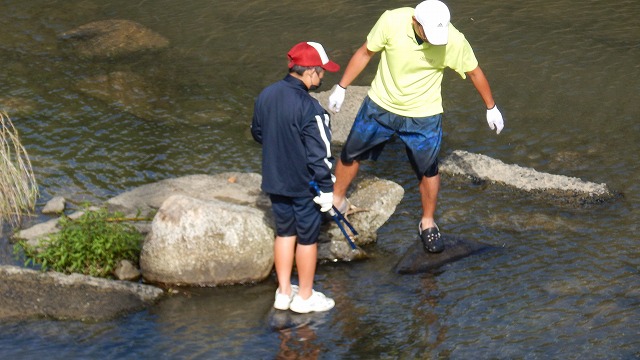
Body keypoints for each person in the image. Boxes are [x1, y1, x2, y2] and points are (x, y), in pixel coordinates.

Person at [327, 0, 504, 254]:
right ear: (415, 23)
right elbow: (366, 52)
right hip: (381, 104)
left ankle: (428, 222)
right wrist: (341, 87)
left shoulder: (453, 39)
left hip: (424, 114)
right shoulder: (392, 21)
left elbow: (474, 72)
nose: (435, 41)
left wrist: (491, 107)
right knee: (351, 152)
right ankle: (337, 201)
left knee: (428, 170)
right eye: (429, 34)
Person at [251, 41, 340, 313]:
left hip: (275, 180)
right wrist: (326, 190)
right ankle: (304, 296)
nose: (323, 76)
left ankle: (283, 292)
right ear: (310, 72)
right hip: (304, 186)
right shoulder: (310, 108)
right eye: (322, 71)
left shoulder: (266, 94)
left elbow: (257, 132)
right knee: (307, 238)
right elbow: (320, 154)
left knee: (284, 233)